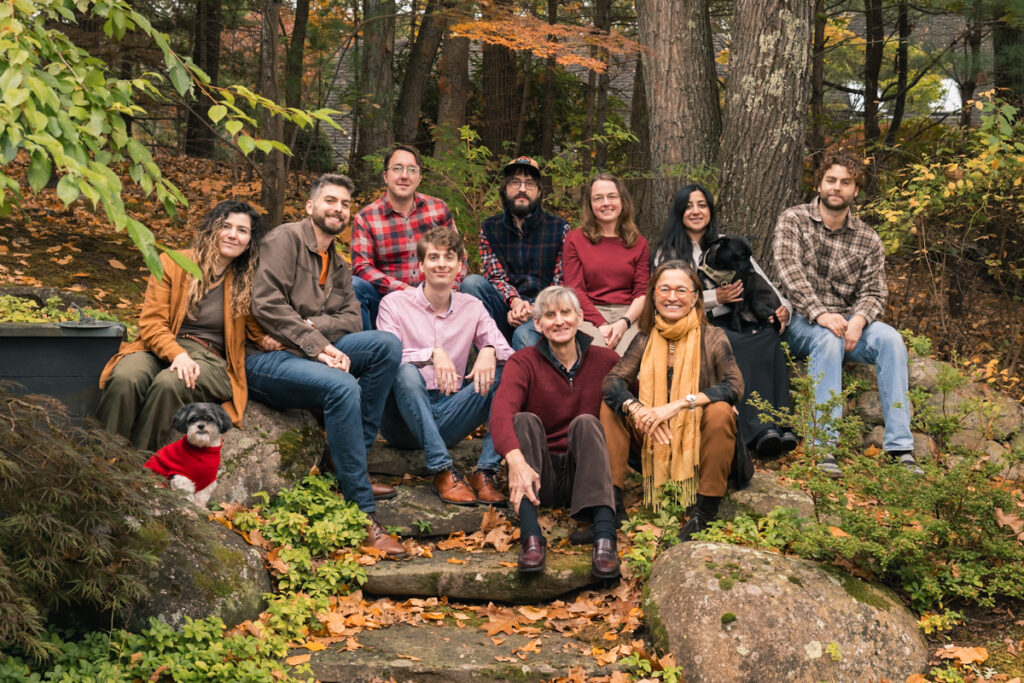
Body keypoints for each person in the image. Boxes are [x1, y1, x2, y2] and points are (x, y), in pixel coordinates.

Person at [245, 173, 408, 558]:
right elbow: (265, 305)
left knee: (385, 345)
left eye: (345, 204)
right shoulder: (283, 240)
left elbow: (352, 318)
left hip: (304, 348)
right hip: (266, 360)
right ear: (310, 206)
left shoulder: (337, 261)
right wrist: (316, 344)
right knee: (343, 385)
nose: (338, 209)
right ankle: (362, 512)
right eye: (330, 201)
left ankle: (348, 459)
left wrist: (312, 328)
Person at [773, 149, 924, 478]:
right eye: (831, 180)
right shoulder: (793, 220)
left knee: (891, 340)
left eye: (845, 182)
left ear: (855, 190)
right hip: (801, 321)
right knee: (827, 340)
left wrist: (858, 321)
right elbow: (788, 273)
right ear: (819, 185)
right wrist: (822, 315)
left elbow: (874, 291)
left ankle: (900, 447)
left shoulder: (868, 238)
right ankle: (824, 447)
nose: (837, 187)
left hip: (849, 322)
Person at [97, 200, 269, 451]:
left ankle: (138, 469)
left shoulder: (249, 278)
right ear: (212, 229)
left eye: (242, 230)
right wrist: (178, 354)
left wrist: (275, 339)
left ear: (250, 240)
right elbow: (152, 322)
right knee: (126, 377)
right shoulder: (173, 263)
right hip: (161, 345)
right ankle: (102, 460)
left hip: (210, 358)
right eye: (226, 226)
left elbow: (263, 323)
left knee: (170, 384)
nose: (233, 235)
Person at [601, 261, 743, 541]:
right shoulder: (645, 338)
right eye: (664, 289)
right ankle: (612, 506)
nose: (672, 297)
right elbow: (612, 381)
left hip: (699, 444)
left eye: (681, 290)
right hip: (656, 438)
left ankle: (704, 512)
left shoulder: (713, 336)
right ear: (653, 296)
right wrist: (636, 407)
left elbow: (734, 385)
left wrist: (679, 404)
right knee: (612, 406)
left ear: (694, 297)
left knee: (720, 411)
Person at [651, 183, 797, 457]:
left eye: (702, 205)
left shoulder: (731, 243)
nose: (696, 211)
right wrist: (715, 297)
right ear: (679, 211)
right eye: (689, 206)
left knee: (768, 337)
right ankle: (756, 430)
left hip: (737, 318)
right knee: (732, 343)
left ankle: (781, 424)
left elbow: (762, 282)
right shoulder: (668, 252)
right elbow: (664, 298)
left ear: (711, 210)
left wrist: (784, 308)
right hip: (695, 324)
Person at [376, 227, 514, 506]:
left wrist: (489, 350)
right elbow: (385, 358)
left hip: (450, 412)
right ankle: (442, 469)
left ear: (460, 266)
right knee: (405, 371)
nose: (441, 264)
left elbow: (512, 356)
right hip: (401, 418)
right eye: (434, 257)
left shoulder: (472, 306)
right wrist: (432, 354)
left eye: (449, 258)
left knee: (508, 373)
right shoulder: (394, 303)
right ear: (421, 266)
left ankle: (485, 471)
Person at [489, 286, 621, 578]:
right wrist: (516, 461)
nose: (559, 321)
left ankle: (605, 538)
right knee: (522, 419)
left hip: (585, 475)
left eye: (565, 313)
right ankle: (531, 537)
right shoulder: (522, 362)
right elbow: (500, 414)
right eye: (549, 315)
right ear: (537, 324)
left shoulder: (606, 361)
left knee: (587, 422)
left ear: (579, 317)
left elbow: (638, 402)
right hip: (539, 476)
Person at [351, 144, 465, 329]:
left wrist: (446, 293)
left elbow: (458, 256)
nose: (404, 175)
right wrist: (405, 291)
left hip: (435, 295)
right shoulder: (367, 217)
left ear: (419, 178)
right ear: (385, 176)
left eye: (412, 170)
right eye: (397, 168)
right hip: (386, 298)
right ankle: (370, 348)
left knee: (473, 285)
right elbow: (361, 267)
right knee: (354, 285)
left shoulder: (438, 209)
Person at [461, 156, 571, 343]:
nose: (522, 189)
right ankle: (489, 355)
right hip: (505, 307)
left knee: (523, 335)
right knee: (471, 283)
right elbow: (495, 277)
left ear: (538, 192)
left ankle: (520, 369)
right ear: (505, 189)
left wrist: (532, 310)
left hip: (545, 311)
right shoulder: (489, 227)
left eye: (529, 183)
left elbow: (560, 283)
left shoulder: (559, 228)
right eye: (515, 182)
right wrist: (515, 302)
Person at [554, 173, 649, 355]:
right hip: (587, 314)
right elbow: (574, 289)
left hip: (630, 315)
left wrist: (623, 323)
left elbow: (641, 292)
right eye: (598, 198)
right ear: (590, 205)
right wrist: (601, 324)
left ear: (623, 201)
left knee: (629, 358)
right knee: (599, 356)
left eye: (612, 196)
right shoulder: (575, 239)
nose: (606, 203)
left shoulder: (639, 243)